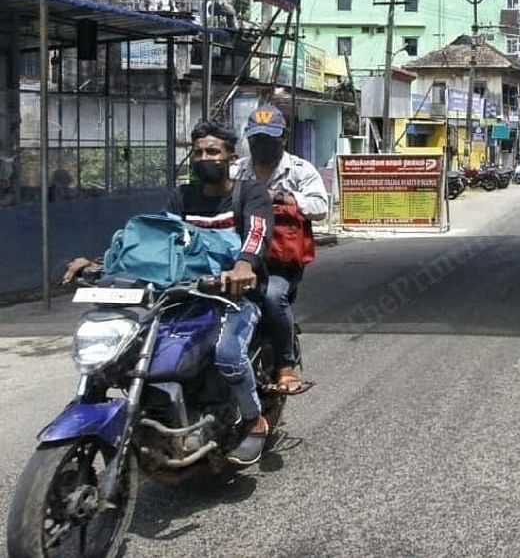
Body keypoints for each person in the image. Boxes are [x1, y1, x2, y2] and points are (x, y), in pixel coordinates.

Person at [63, 121, 275, 465]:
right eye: (199, 151)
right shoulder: (183, 196)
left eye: (212, 152)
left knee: (228, 353)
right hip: (183, 295)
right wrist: (103, 265)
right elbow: (159, 244)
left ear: (230, 157)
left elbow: (257, 231)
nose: (204, 157)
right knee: (128, 349)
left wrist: (244, 265)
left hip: (233, 295)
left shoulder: (248, 192)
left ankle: (253, 420)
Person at [233, 106, 329, 394]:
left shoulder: (299, 170)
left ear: (283, 139)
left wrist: (283, 197)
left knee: (273, 297)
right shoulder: (236, 171)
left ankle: (286, 365)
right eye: (256, 139)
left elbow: (321, 207)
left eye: (269, 139)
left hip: (280, 263)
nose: (262, 145)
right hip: (240, 259)